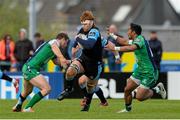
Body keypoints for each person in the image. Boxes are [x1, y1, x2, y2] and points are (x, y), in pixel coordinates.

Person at [57, 11, 120, 111]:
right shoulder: (82, 31)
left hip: (95, 65)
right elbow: (74, 46)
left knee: (91, 88)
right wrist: (73, 55)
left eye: (85, 24)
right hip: (83, 59)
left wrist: (117, 57)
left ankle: (89, 104)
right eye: (82, 24)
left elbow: (90, 45)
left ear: (91, 22)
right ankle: (69, 89)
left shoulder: (94, 31)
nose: (84, 26)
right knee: (71, 72)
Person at [108, 23, 166, 113]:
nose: (127, 32)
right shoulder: (136, 39)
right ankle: (128, 110)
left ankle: (157, 89)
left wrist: (115, 48)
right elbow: (124, 42)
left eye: (129, 30)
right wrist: (112, 35)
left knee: (139, 97)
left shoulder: (140, 40)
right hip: (140, 70)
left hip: (150, 72)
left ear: (133, 32)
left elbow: (131, 48)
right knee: (127, 89)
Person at [12, 33, 70, 112]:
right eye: (66, 42)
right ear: (62, 39)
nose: (66, 45)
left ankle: (18, 106)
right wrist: (62, 58)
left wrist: (70, 61)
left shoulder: (54, 49)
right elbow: (59, 54)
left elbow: (56, 62)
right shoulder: (54, 42)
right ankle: (27, 108)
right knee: (47, 89)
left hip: (28, 67)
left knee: (27, 91)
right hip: (31, 68)